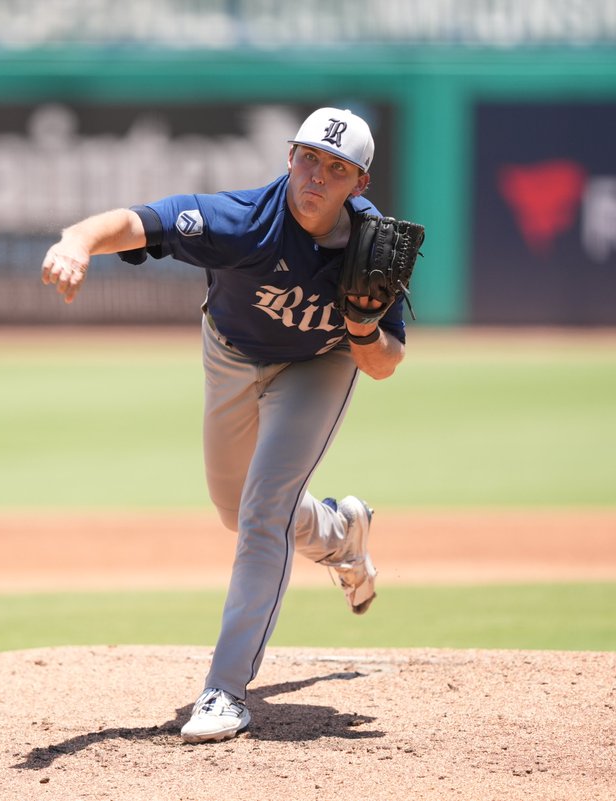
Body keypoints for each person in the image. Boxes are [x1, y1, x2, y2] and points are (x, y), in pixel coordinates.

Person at [40, 107, 405, 744]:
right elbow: (138, 221)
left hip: (317, 367)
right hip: (230, 355)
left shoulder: (374, 248)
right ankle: (339, 531)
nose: (317, 175)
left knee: (263, 512)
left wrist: (365, 328)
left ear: (359, 184)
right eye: (309, 157)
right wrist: (76, 242)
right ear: (290, 156)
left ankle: (225, 689)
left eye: (336, 167)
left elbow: (383, 365)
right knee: (235, 510)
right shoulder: (243, 220)